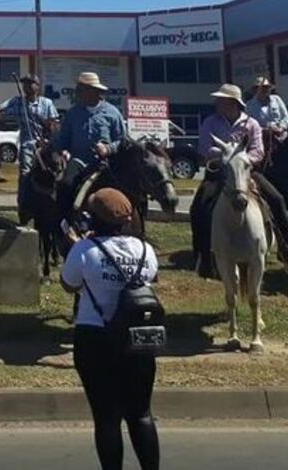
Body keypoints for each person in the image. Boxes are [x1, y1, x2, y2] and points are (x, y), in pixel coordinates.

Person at [60, 188, 161, 470]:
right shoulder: (146, 249)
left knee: (106, 418)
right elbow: (152, 277)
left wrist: (75, 245)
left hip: (95, 337)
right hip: (138, 339)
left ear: (94, 220)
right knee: (141, 413)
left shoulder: (84, 251)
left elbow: (69, 284)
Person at [191, 83, 288, 277]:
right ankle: (203, 256)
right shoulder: (210, 122)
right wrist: (225, 155)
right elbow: (203, 146)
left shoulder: (251, 124)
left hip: (246, 172)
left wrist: (242, 160)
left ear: (233, 103)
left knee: (276, 199)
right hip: (218, 172)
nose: (218, 103)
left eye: (222, 100)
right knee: (199, 206)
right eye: (218, 100)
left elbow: (258, 151)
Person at [52, 72, 126, 224]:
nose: (79, 93)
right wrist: (56, 148)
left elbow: (123, 141)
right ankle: (63, 224)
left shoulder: (113, 113)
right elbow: (63, 141)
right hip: (79, 161)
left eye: (82, 89)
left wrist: (108, 149)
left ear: (96, 92)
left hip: (105, 164)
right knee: (65, 185)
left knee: (125, 188)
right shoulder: (73, 114)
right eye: (79, 90)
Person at [3, 73, 60, 213]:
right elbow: (0, 110)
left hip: (45, 143)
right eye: (25, 83)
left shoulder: (47, 103)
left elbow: (55, 124)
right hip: (28, 144)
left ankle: (53, 202)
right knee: (25, 173)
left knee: (55, 171)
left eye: (30, 83)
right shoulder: (17, 102)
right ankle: (23, 205)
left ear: (37, 86)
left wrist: (48, 132)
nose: (27, 86)